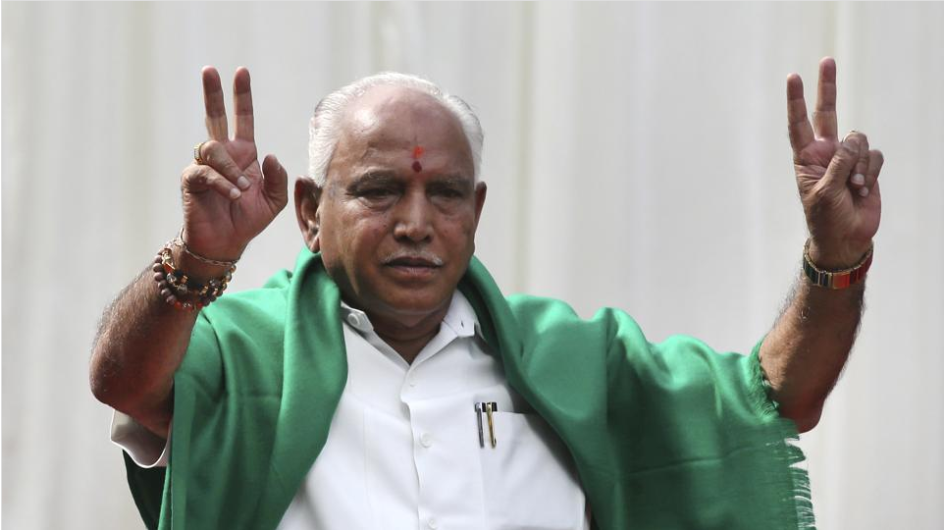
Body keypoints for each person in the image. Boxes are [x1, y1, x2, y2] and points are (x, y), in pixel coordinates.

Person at [90, 57, 882, 530]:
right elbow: (125, 384)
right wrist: (199, 258)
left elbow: (774, 397)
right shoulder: (242, 349)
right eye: (379, 190)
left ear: (476, 211)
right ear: (308, 212)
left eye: (445, 194)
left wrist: (836, 259)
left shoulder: (574, 360)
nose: (416, 224)